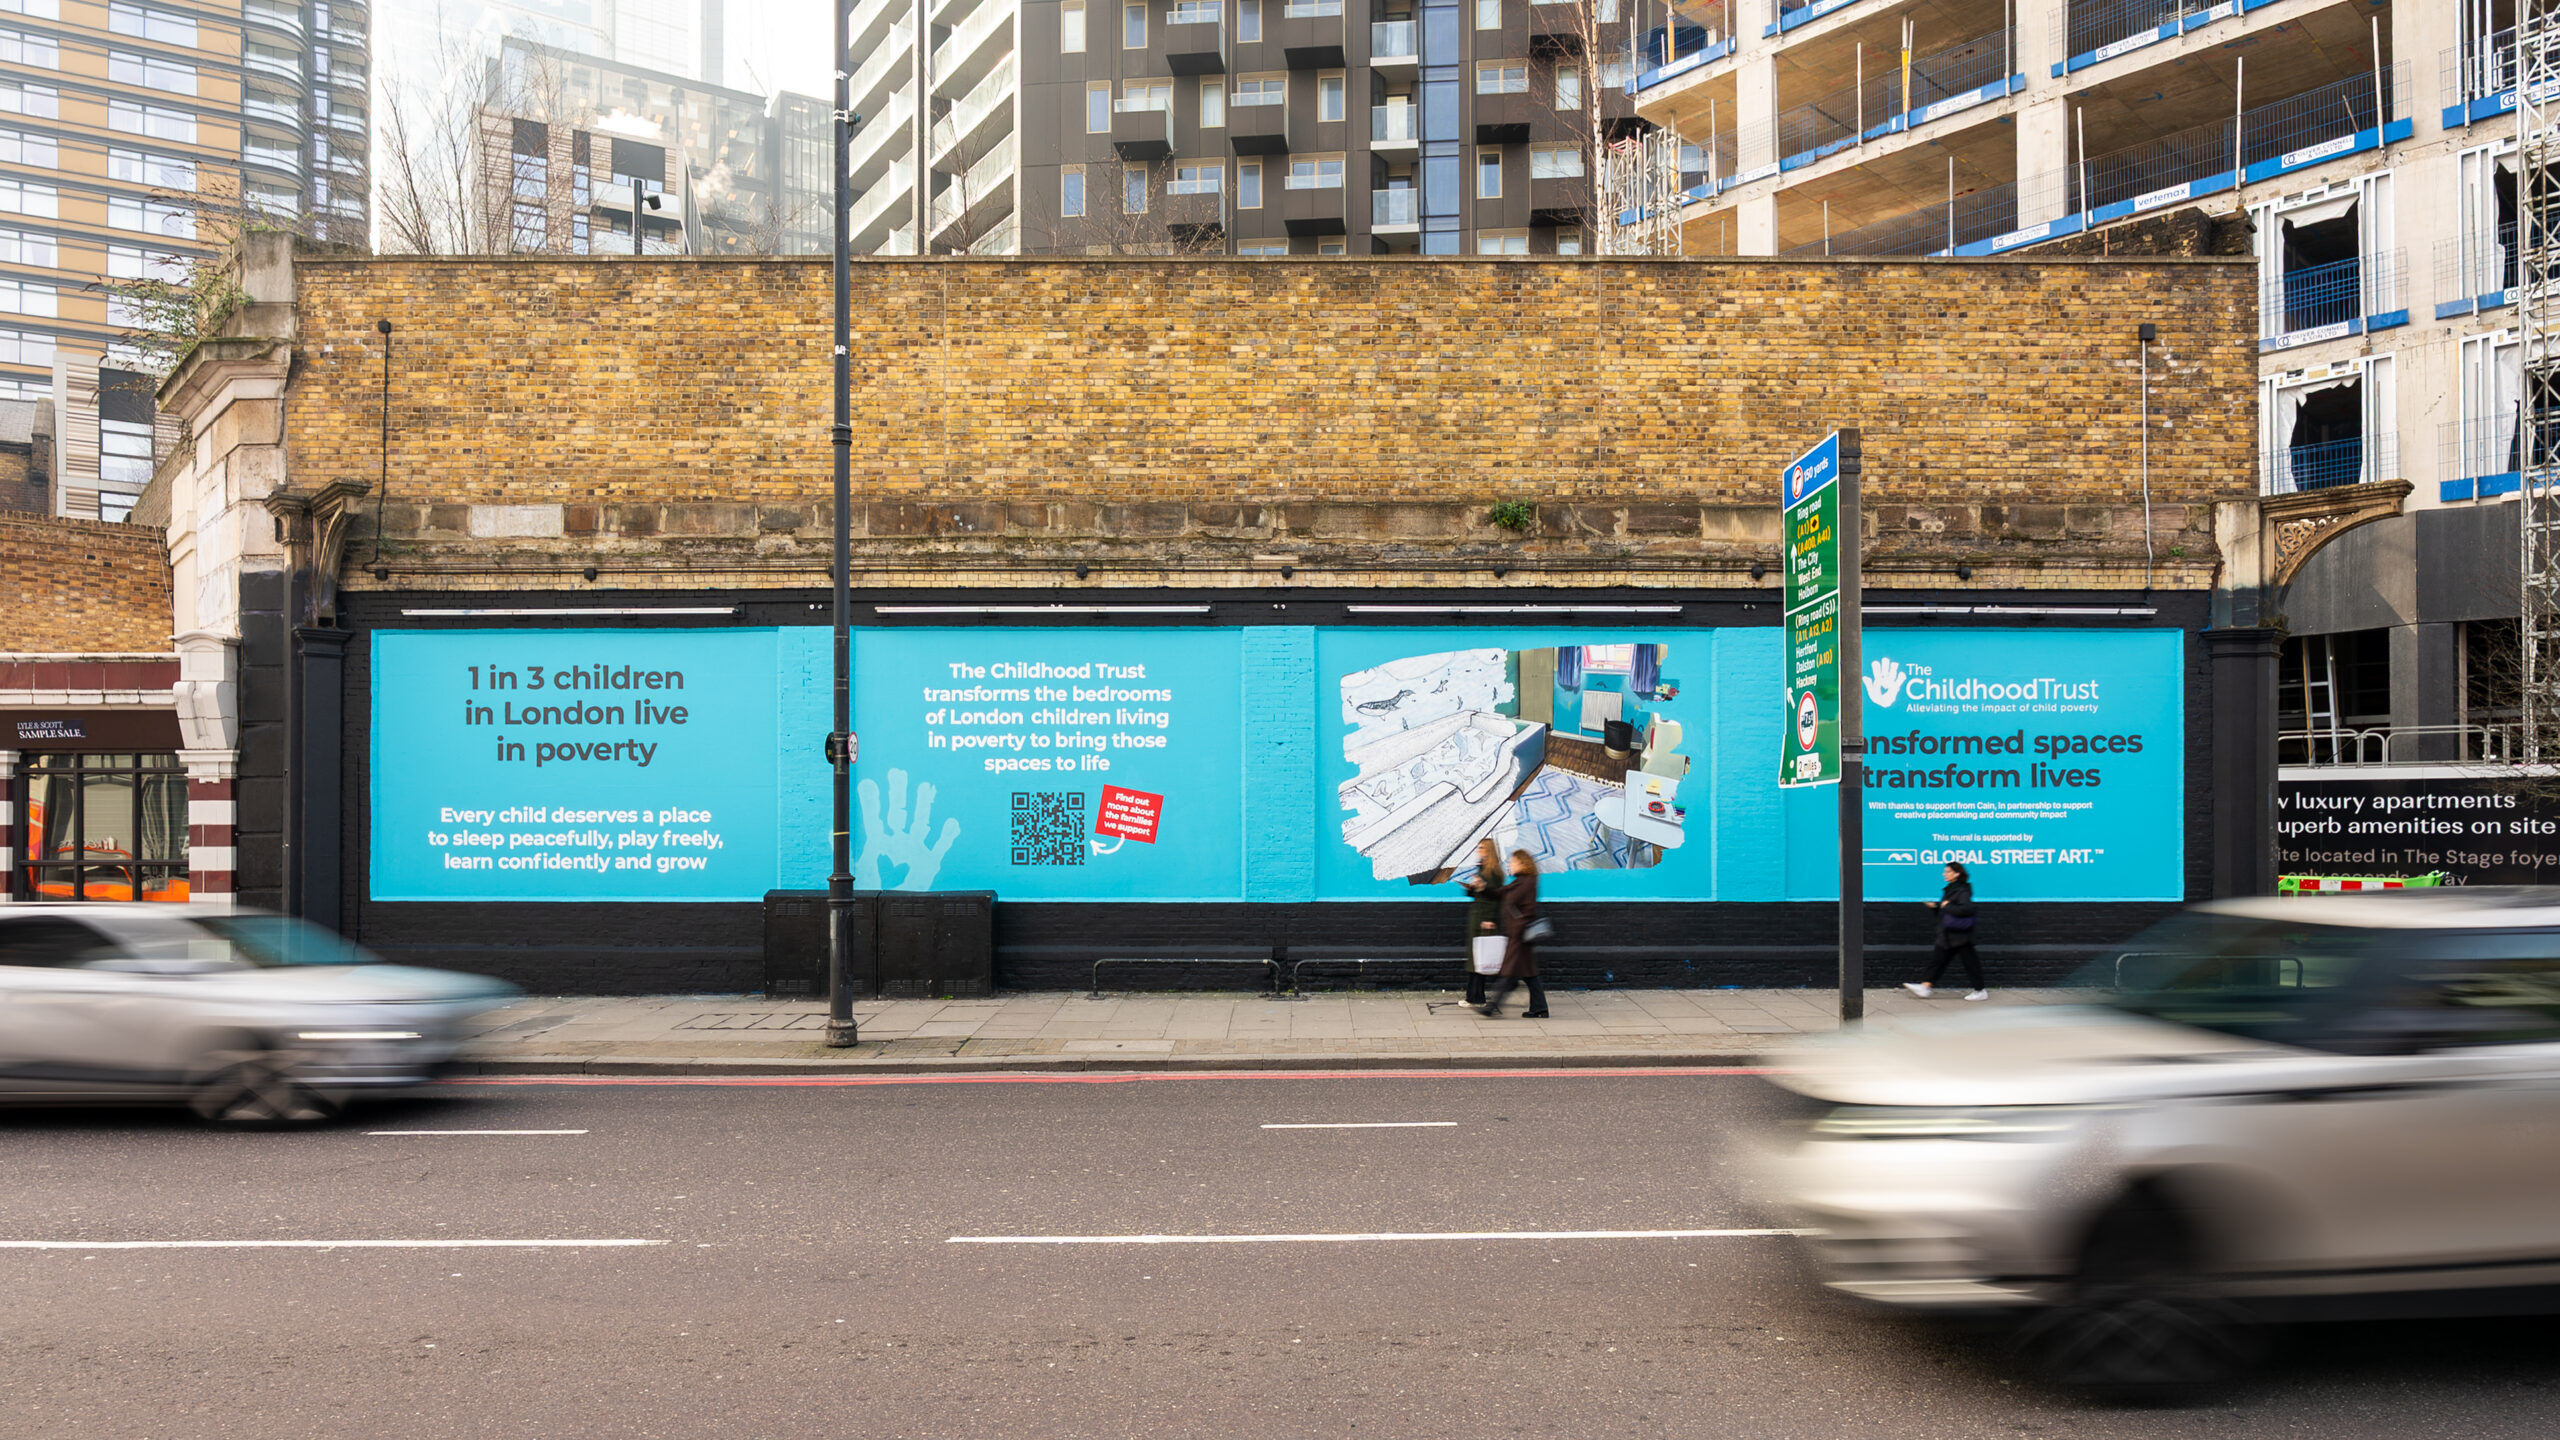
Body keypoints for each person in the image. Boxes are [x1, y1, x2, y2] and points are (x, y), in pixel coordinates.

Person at [1480, 849, 1549, 1019]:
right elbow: (1499, 894)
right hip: (1517, 935)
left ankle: (1491, 1007)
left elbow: (1530, 911)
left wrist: (1517, 928)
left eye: (1513, 862)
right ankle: (1540, 1008)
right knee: (1530, 974)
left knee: (1508, 972)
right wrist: (1483, 888)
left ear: (1523, 863)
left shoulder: (1527, 883)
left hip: (1519, 935)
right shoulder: (1518, 882)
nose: (1509, 865)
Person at [1904, 861, 1987, 1000]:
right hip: (1949, 935)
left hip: (1960, 936)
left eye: (1948, 871)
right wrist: (1936, 907)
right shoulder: (1951, 889)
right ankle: (1925, 986)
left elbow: (1967, 909)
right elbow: (1948, 909)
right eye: (1945, 871)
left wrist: (1946, 906)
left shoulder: (1962, 890)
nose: (1944, 874)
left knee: (1970, 963)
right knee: (1938, 961)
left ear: (1956, 873)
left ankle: (1980, 991)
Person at [1459, 837, 1506, 1008]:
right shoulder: (1483, 870)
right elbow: (1482, 894)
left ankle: (1476, 997)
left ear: (1489, 850)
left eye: (1481, 847)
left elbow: (1495, 898)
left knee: (1479, 958)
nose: (1478, 850)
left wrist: (1489, 919)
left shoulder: (1492, 873)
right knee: (1476, 958)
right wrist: (1472, 888)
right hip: (1477, 917)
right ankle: (1473, 996)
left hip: (1483, 918)